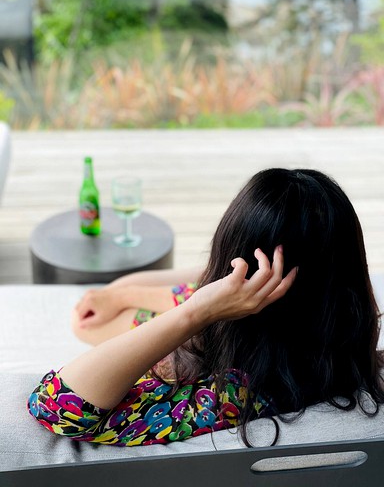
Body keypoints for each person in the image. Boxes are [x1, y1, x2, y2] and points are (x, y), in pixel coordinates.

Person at [28, 168, 384, 447]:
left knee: (90, 317)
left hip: (225, 338)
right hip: (255, 332)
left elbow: (55, 405)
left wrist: (197, 311)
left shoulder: (231, 390)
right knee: (116, 293)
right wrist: (128, 295)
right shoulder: (345, 326)